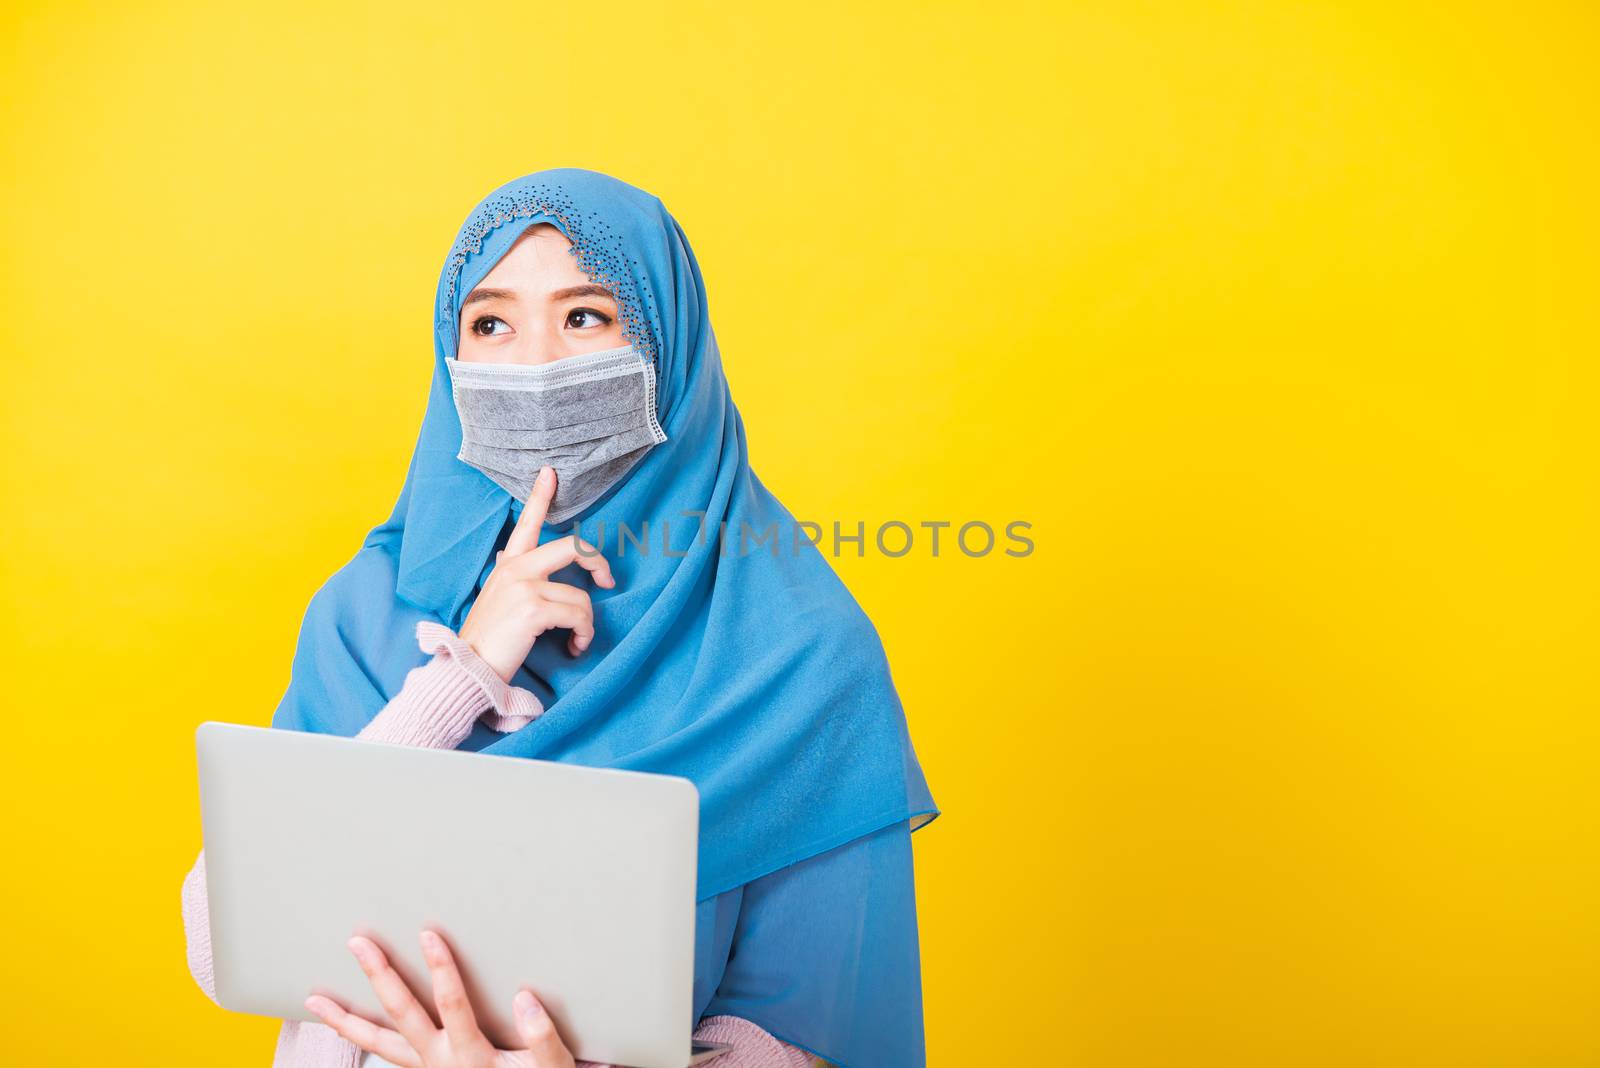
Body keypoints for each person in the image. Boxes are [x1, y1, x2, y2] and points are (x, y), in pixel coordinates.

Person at [180, 168, 939, 1068]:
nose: (534, 366)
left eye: (584, 317)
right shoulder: (371, 611)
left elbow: (806, 1038)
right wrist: (460, 680)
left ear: (669, 346)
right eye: (491, 324)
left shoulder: (800, 656)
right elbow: (226, 941)